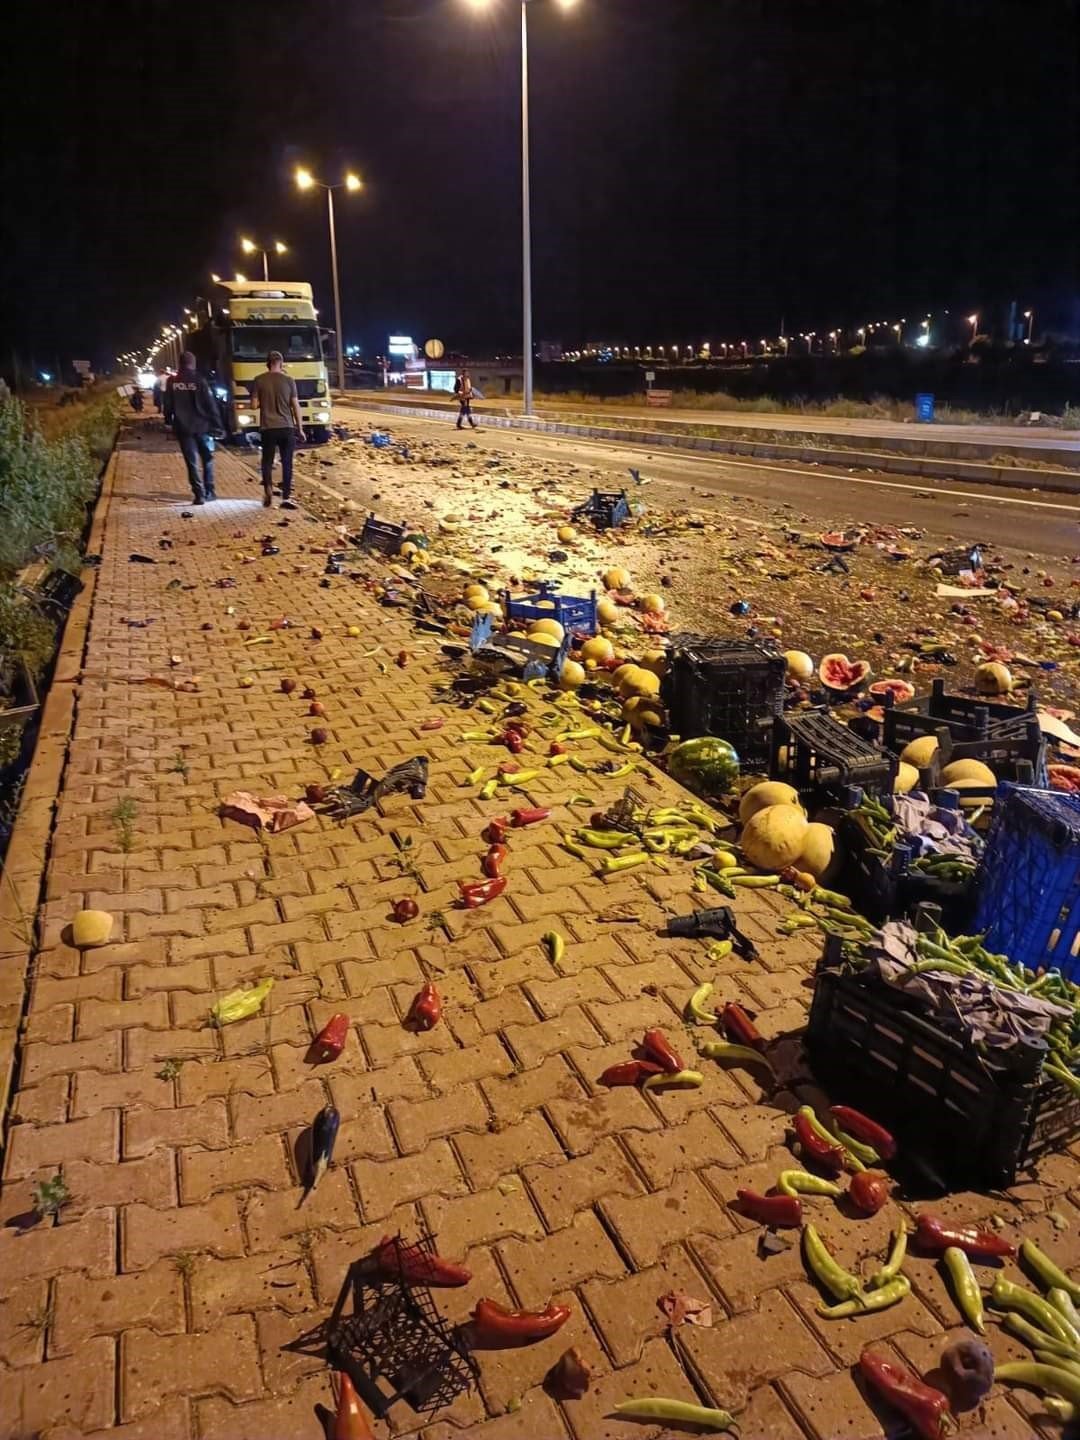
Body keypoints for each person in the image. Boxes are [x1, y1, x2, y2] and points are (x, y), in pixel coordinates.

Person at [163, 352, 225, 504]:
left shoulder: (172, 381)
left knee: (191, 462)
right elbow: (210, 404)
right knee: (208, 459)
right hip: (203, 427)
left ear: (180, 363)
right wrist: (218, 425)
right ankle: (210, 491)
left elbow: (168, 404)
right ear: (193, 363)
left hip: (183, 428)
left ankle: (199, 494)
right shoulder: (200, 380)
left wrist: (168, 422)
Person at [252, 350, 305, 508]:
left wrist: (264, 400)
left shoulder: (259, 380)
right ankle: (286, 496)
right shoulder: (289, 380)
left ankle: (268, 488)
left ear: (267, 364)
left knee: (267, 461)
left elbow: (253, 405)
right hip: (287, 426)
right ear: (281, 363)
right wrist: (300, 428)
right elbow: (295, 406)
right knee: (287, 462)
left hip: (268, 427)